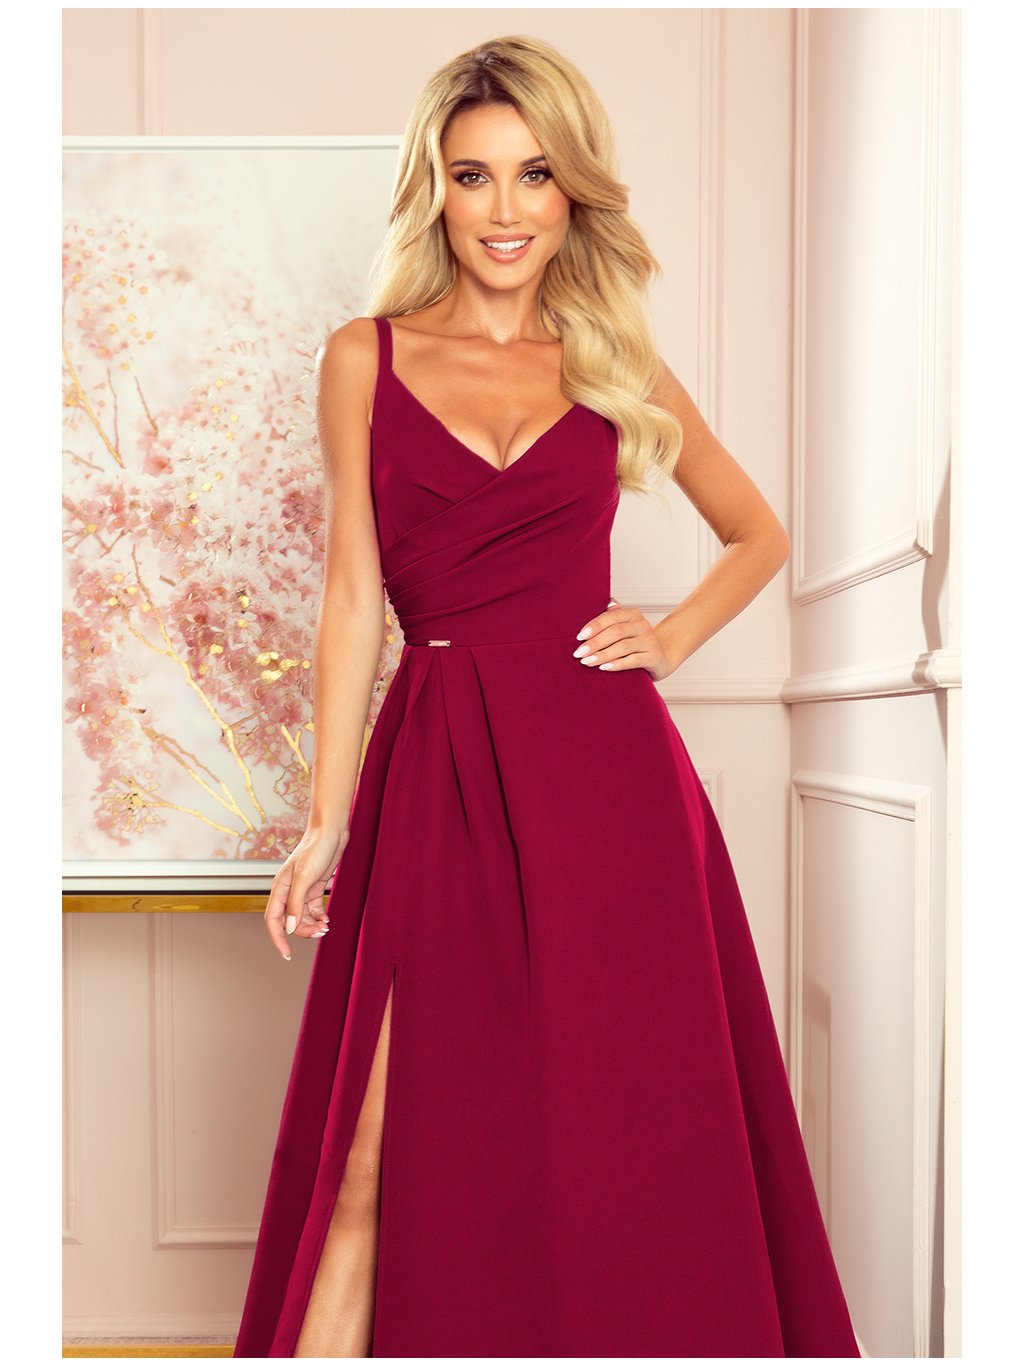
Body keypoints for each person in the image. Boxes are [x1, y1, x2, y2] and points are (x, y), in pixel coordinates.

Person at [233, 34, 860, 1359]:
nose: (505, 208)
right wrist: (325, 821)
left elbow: (759, 533)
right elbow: (353, 600)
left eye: (535, 173)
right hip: (436, 763)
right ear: (435, 191)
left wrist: (670, 636)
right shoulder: (364, 356)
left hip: (610, 789)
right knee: (373, 1148)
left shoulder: (611, 361)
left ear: (575, 189)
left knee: (614, 1136)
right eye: (474, 175)